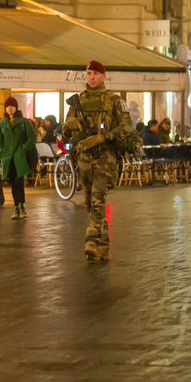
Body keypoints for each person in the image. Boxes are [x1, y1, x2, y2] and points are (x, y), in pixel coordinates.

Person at [63, 60, 132, 262]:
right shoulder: (78, 101)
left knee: (97, 198)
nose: (92, 77)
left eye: (96, 73)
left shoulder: (114, 100)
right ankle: (103, 245)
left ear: (104, 76)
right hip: (84, 156)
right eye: (89, 73)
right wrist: (70, 125)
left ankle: (91, 240)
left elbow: (127, 127)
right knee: (89, 202)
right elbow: (65, 131)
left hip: (105, 155)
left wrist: (103, 138)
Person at [0, 96, 37, 219]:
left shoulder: (24, 122)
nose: (10, 108)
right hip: (8, 158)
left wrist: (23, 149)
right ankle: (16, 208)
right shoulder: (2, 124)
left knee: (19, 182)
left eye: (12, 106)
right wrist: (1, 152)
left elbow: (32, 138)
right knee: (13, 184)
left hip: (20, 158)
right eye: (7, 106)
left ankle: (22, 208)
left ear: (16, 107)